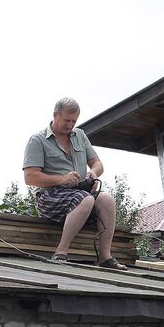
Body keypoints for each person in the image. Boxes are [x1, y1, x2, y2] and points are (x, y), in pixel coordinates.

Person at [22, 97, 126, 270]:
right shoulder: (37, 140)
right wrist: (62, 179)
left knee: (107, 199)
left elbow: (97, 164)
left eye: (74, 121)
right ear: (55, 115)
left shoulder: (80, 135)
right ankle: (61, 253)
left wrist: (93, 174)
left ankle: (105, 257)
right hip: (49, 196)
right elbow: (30, 177)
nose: (70, 125)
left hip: (80, 193)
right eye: (66, 120)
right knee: (85, 199)